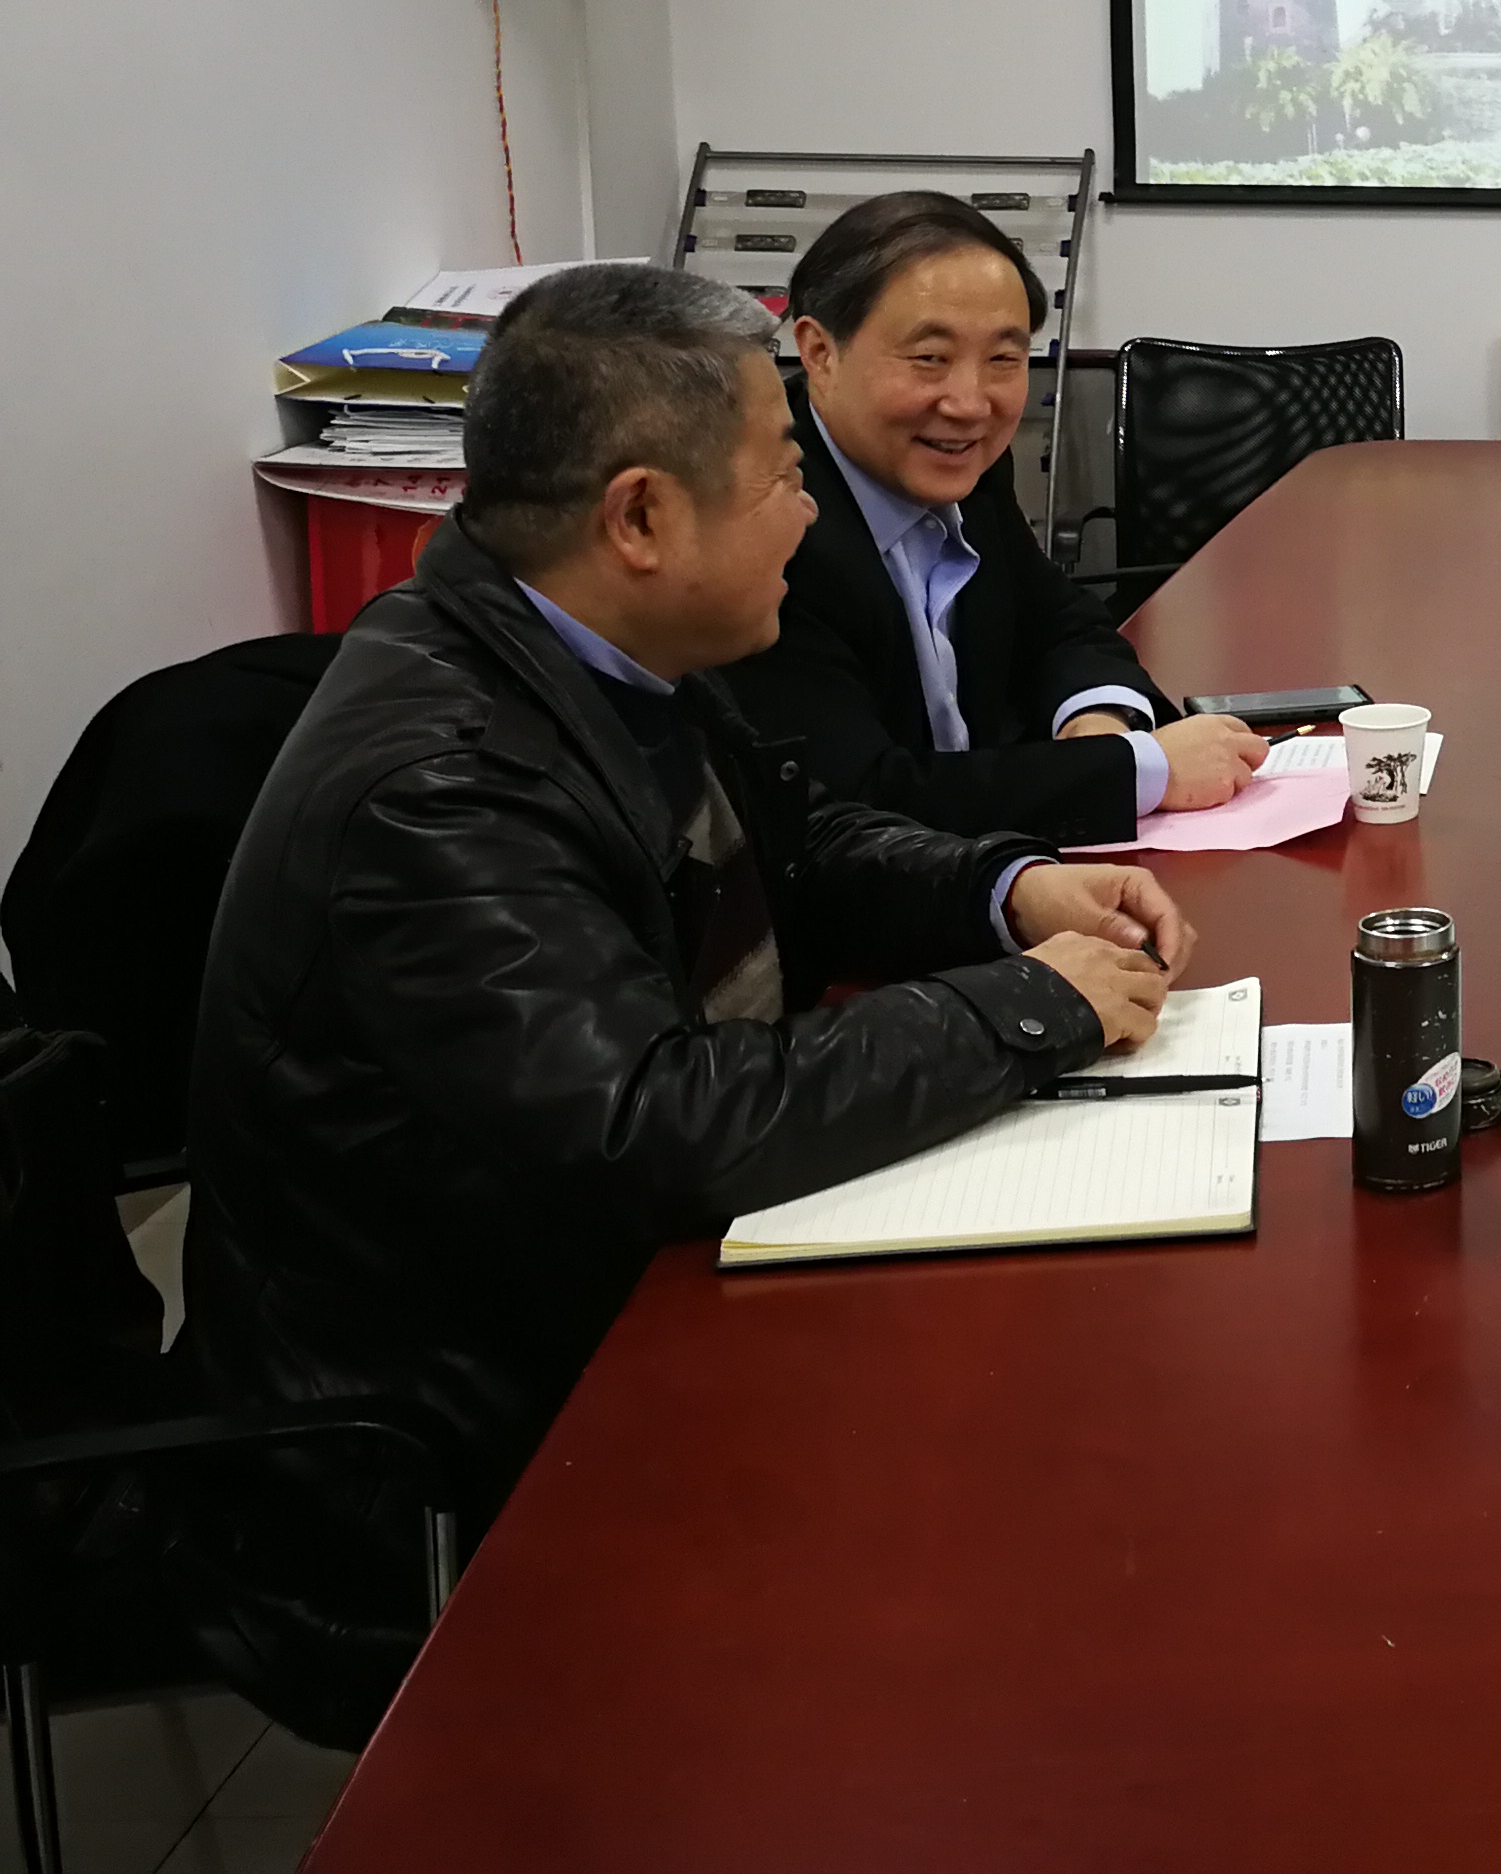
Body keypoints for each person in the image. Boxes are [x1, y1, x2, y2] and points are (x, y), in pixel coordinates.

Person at [184, 265, 1186, 1742]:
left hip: (612, 1300)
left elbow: (799, 841)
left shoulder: (590, 642)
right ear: (642, 517)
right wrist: (1026, 1008)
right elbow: (654, 1122)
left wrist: (1006, 888)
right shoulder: (442, 788)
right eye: (784, 477)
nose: (808, 515)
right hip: (460, 1453)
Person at [735, 191, 1262, 842]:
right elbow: (858, 801)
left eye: (1004, 360)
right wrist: (1130, 772)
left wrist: (1098, 723)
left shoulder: (964, 464)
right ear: (820, 352)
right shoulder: (759, 518)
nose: (970, 403)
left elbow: (1059, 624)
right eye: (930, 358)